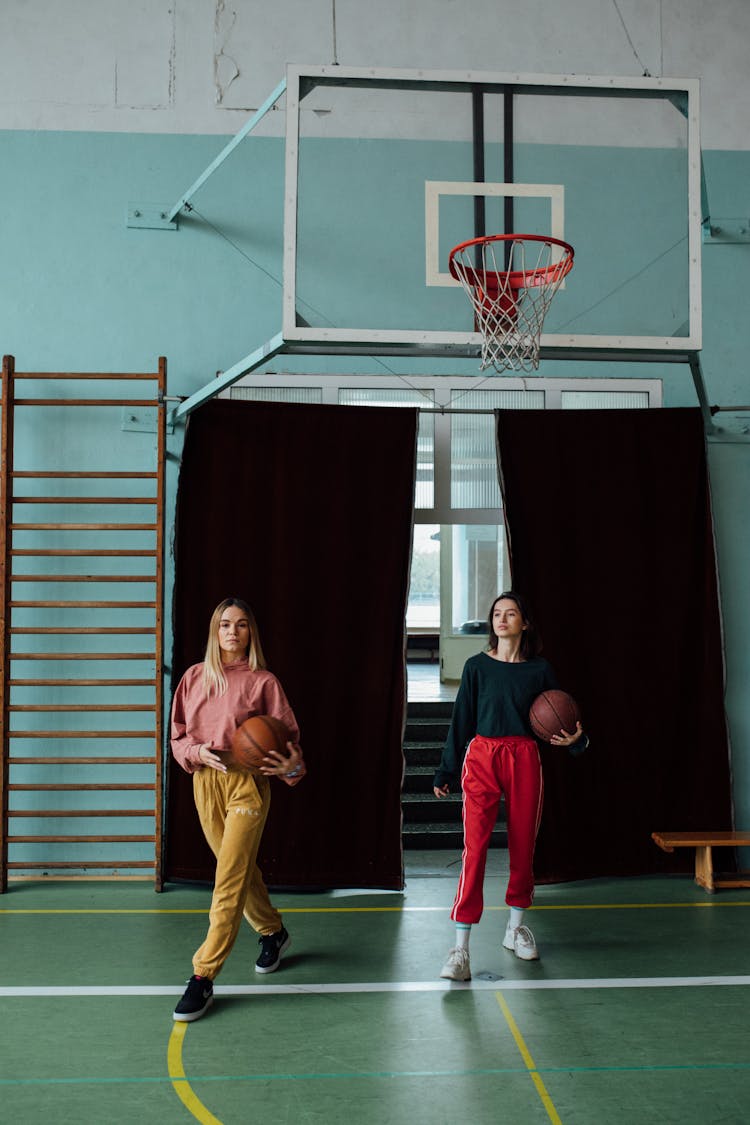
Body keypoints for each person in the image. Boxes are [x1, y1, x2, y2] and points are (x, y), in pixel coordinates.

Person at [434, 591, 587, 981]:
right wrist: (446, 771)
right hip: (483, 755)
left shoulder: (539, 671)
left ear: (525, 623)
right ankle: (460, 949)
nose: (502, 619)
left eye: (511, 613)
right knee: (475, 851)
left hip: (524, 757)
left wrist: (577, 743)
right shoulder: (476, 667)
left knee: (523, 845)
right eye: (497, 613)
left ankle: (514, 928)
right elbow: (461, 720)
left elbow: (559, 717)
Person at [170, 596, 306, 1022]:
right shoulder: (193, 677)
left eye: (242, 624)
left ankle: (203, 975)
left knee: (228, 877)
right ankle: (273, 930)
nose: (232, 631)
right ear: (215, 631)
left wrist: (292, 766)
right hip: (205, 785)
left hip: (247, 785)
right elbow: (176, 737)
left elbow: (290, 749)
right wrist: (195, 751)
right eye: (225, 624)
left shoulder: (263, 682)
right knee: (242, 872)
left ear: (251, 633)